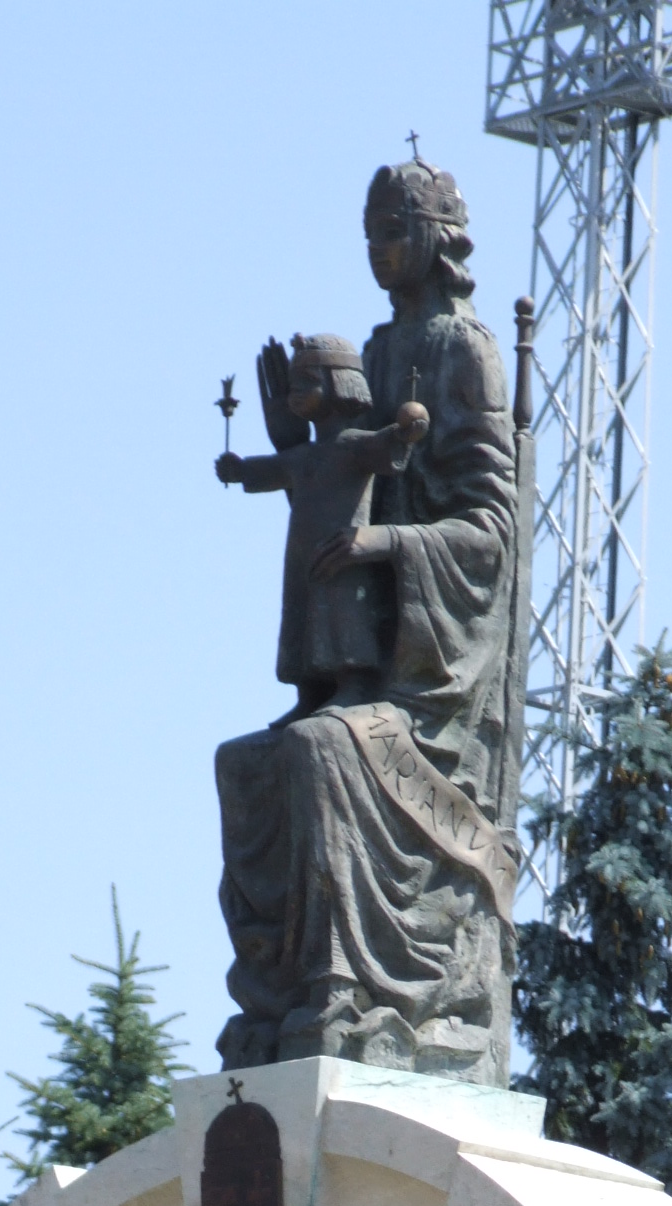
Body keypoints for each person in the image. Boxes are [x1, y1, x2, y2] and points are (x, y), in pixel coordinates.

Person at [214, 161, 523, 1085]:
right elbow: (337, 476)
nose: (379, 249)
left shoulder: (466, 349)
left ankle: (349, 994)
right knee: (247, 764)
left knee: (322, 751)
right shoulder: (378, 348)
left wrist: (386, 542)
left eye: (395, 230)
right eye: (369, 233)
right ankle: (277, 1005)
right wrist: (296, 445)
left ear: (438, 236)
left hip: (432, 674)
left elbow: (491, 532)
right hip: (357, 648)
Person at [215, 332, 428, 722]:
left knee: (342, 611)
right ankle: (308, 693)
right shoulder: (303, 456)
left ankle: (353, 682)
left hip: (340, 550)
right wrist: (238, 469)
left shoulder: (353, 446)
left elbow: (388, 448)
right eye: (293, 385)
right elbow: (270, 470)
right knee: (300, 612)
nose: (294, 393)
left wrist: (406, 431)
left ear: (339, 385)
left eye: (306, 383)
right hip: (301, 551)